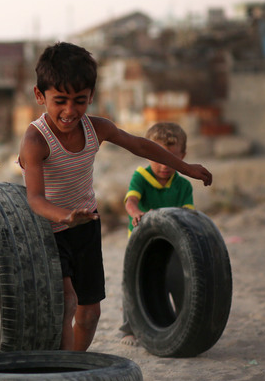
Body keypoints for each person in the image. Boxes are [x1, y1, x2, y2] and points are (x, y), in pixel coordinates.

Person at [18, 42, 212, 352]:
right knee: (67, 302)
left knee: (89, 314)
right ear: (40, 96)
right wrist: (65, 216)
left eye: (79, 101)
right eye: (60, 101)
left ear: (91, 96)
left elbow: (142, 146)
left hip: (85, 226)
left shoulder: (97, 128)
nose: (70, 111)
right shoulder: (35, 139)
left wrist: (186, 168)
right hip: (49, 229)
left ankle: (74, 363)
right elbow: (35, 200)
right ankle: (62, 369)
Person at [119, 122, 195, 346]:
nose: (164, 165)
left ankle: (182, 323)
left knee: (179, 281)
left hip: (173, 245)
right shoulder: (141, 177)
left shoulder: (183, 186)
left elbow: (188, 215)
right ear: (147, 154)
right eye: (158, 157)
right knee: (133, 285)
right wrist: (137, 213)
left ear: (182, 156)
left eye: (171, 158)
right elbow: (131, 202)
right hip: (142, 244)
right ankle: (129, 329)